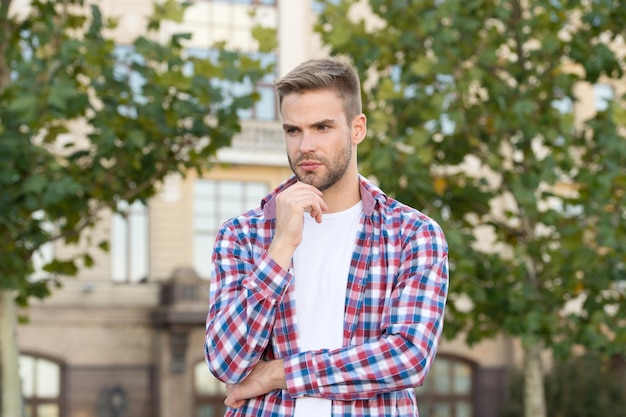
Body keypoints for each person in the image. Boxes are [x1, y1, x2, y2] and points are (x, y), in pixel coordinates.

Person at [204, 56, 449, 417]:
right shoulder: (242, 235)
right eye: (293, 130)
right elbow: (226, 363)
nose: (305, 146)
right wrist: (280, 249)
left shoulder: (412, 235)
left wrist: (280, 373)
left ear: (357, 128)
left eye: (322, 127)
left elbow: (407, 357)